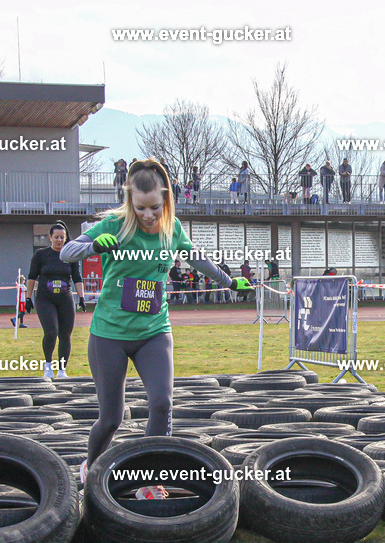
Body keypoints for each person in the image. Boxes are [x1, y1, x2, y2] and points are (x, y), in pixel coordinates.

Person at [60, 158, 253, 491]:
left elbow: (197, 259)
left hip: (154, 332)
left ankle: (149, 480)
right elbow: (67, 252)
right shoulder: (115, 225)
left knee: (162, 403)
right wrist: (93, 245)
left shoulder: (172, 227)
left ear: (165, 200)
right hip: (110, 335)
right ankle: (91, 468)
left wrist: (230, 281)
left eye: (154, 207)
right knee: (111, 419)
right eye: (140, 208)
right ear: (129, 201)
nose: (148, 215)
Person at [24, 221, 86, 378]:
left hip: (65, 297)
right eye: (57, 237)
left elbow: (77, 277)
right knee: (51, 331)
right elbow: (32, 277)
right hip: (45, 298)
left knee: (65, 334)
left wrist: (81, 297)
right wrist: (28, 298)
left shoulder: (70, 255)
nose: (59, 240)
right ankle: (48, 365)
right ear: (50, 237)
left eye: (62, 237)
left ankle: (62, 369)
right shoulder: (41, 255)